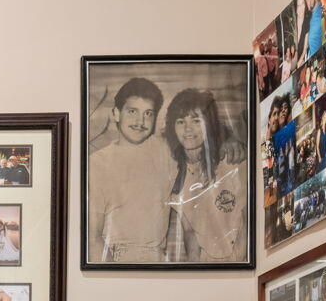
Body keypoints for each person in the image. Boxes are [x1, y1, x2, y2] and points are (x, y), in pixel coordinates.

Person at [86, 77, 176, 263]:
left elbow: (199, 143)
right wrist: (111, 275)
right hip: (116, 259)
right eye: (132, 111)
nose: (140, 121)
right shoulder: (97, 163)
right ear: (116, 114)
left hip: (159, 261)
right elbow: (92, 238)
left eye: (148, 113)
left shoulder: (165, 152)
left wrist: (229, 142)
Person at [164, 88, 248, 263]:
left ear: (208, 124)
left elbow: (247, 219)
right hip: (207, 263)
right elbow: (190, 234)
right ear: (172, 127)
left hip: (241, 260)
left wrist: (239, 263)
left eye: (196, 121)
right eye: (180, 121)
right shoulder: (174, 175)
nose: (188, 129)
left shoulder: (231, 161)